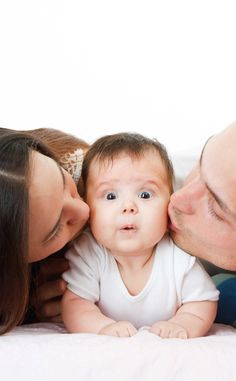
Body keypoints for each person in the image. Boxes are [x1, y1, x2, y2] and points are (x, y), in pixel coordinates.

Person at [62, 132, 219, 338]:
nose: (128, 207)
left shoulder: (178, 253)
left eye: (145, 194)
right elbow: (76, 304)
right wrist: (101, 327)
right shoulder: (89, 252)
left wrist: (183, 323)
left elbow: (202, 300)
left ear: (170, 203)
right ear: (89, 210)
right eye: (110, 196)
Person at [0, 127, 90, 334]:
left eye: (64, 180)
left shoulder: (78, 160)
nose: (84, 210)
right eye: (56, 229)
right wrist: (31, 310)